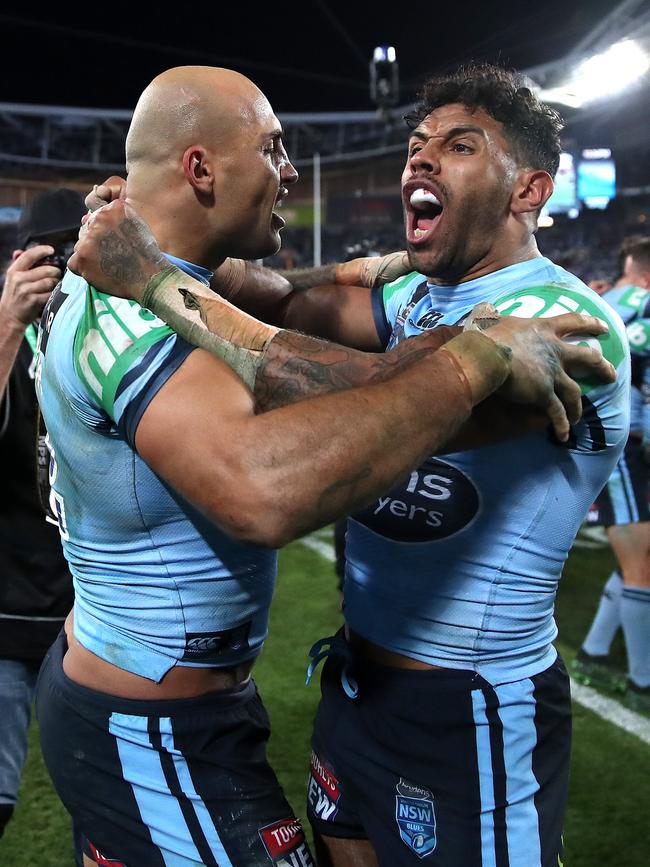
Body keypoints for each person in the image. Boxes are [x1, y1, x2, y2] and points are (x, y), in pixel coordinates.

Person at [42, 65, 615, 867]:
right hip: (335, 692)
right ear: (202, 168)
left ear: (529, 191)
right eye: (416, 146)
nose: (418, 159)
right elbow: (306, 345)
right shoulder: (414, 307)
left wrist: (169, 269)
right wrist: (167, 266)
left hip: (469, 704)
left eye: (456, 145)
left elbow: (342, 353)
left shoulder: (571, 326)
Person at [0, 189, 82, 855]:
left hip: (87, 620)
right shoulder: (1, 329)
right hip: (1, 618)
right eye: (47, 255)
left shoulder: (107, 334)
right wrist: (7, 325)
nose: (60, 270)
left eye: (72, 253)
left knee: (108, 810)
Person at [573, 236, 650, 709]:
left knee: (638, 559)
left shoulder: (599, 298)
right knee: (641, 565)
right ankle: (643, 682)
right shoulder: (640, 306)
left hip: (601, 442)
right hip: (622, 447)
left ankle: (595, 652)